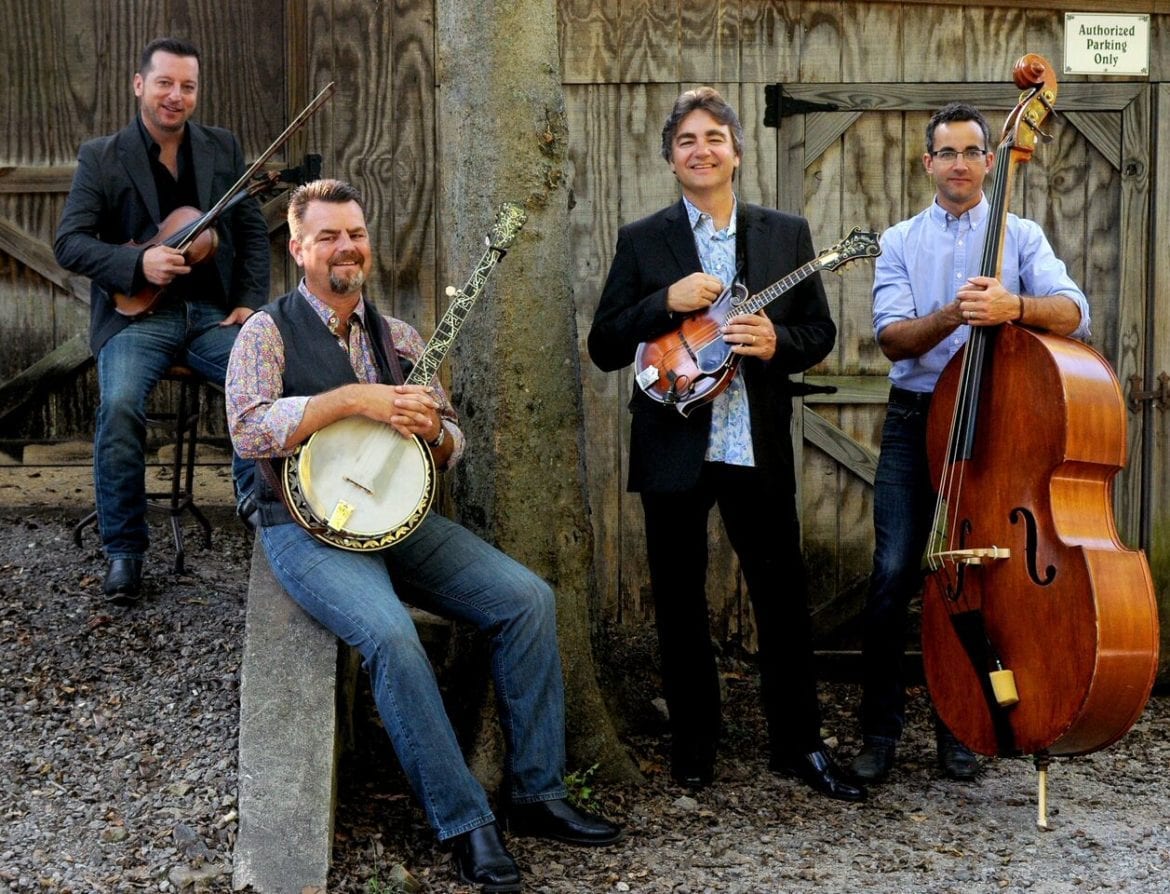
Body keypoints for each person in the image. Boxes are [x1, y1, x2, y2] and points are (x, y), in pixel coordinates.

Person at [225, 178, 621, 892]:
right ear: (298, 248)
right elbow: (250, 428)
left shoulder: (402, 338)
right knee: (392, 637)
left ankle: (537, 792)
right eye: (328, 236)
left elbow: (452, 443)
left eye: (355, 233)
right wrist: (350, 398)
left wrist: (434, 431)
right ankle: (466, 824)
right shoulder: (267, 331)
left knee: (527, 599)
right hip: (304, 528)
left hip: (400, 521)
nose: (346, 247)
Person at [587, 87, 863, 802]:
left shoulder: (784, 234)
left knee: (782, 596)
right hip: (674, 445)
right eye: (686, 140)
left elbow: (818, 334)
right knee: (678, 603)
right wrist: (663, 304)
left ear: (737, 152)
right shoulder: (644, 241)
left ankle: (799, 743)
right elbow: (605, 344)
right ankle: (695, 747)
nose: (701, 149)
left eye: (714, 136)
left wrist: (776, 342)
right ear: (672, 161)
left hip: (754, 447)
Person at [850, 102, 1090, 784]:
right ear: (928, 163)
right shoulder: (900, 240)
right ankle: (880, 733)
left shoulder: (1022, 235)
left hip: (995, 429)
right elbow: (892, 337)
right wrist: (955, 312)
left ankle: (966, 724)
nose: (959, 163)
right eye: (946, 152)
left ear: (991, 160)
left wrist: (1014, 306)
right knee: (896, 573)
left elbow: (1074, 312)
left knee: (976, 579)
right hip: (915, 419)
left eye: (971, 151)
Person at [54, 37, 269, 605]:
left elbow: (249, 230)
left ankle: (257, 506)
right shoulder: (101, 156)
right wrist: (136, 261)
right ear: (139, 84)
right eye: (165, 83)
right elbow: (69, 243)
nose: (176, 96)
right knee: (120, 405)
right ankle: (125, 550)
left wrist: (249, 301)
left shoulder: (221, 148)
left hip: (211, 315)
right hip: (139, 319)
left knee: (262, 377)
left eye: (188, 86)